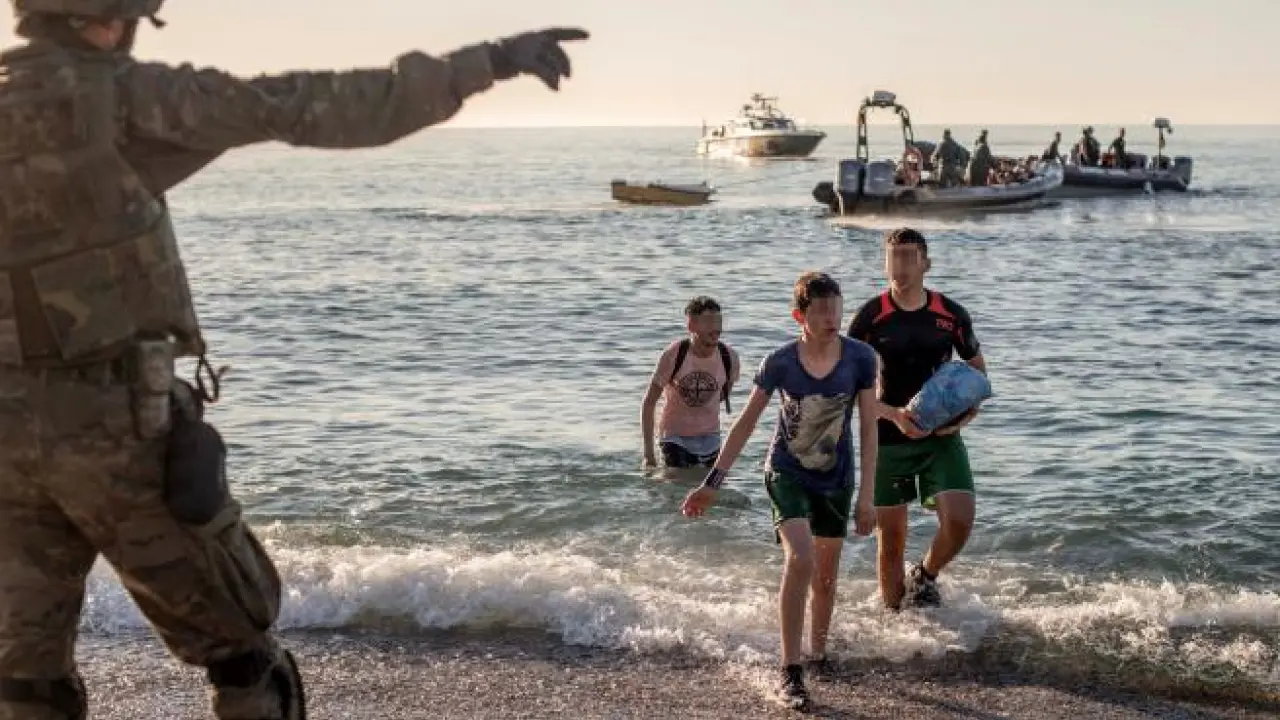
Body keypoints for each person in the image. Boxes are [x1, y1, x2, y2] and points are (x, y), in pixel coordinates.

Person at [0, 2, 588, 718]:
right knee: (245, 657)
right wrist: (487, 60)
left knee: (23, 677)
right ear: (110, 20)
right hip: (110, 426)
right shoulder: (129, 96)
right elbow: (311, 104)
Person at [680, 272, 878, 711]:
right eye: (820, 311)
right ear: (799, 316)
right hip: (786, 472)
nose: (831, 318)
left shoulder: (861, 358)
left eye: (836, 308)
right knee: (801, 557)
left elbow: (868, 427)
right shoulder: (781, 362)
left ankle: (818, 654)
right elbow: (745, 423)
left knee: (825, 577)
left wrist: (867, 496)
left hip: (836, 477)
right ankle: (790, 669)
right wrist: (712, 483)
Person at [846, 228, 987, 612]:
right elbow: (849, 388)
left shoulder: (951, 314)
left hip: (941, 435)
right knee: (891, 542)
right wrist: (894, 415)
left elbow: (977, 374)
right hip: (888, 438)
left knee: (960, 521)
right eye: (893, 256)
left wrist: (965, 417)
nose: (900, 265)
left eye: (909, 256)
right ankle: (895, 623)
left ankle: (925, 575)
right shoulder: (870, 317)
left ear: (926, 263)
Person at [642, 296, 741, 472]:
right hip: (674, 438)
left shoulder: (729, 357)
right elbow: (649, 402)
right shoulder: (674, 355)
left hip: (711, 438)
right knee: (678, 483)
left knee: (714, 485)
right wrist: (649, 454)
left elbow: (721, 396)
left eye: (718, 323)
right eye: (708, 322)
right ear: (691, 325)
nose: (715, 329)